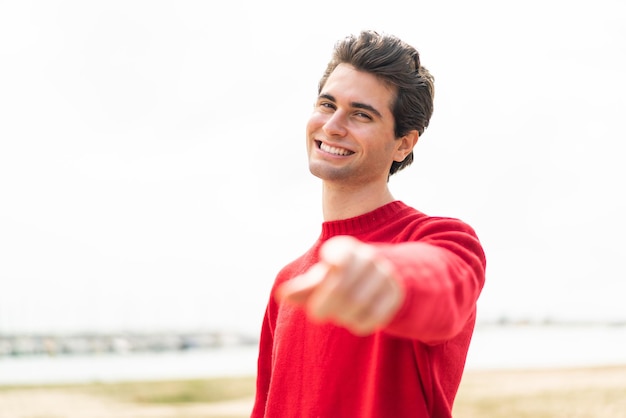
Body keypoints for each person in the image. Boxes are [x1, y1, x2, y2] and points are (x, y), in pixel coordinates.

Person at [251, 30, 486, 418]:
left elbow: (444, 288)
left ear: (403, 144)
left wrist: (387, 277)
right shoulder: (289, 281)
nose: (333, 126)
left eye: (361, 114)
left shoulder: (443, 239)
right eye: (327, 105)